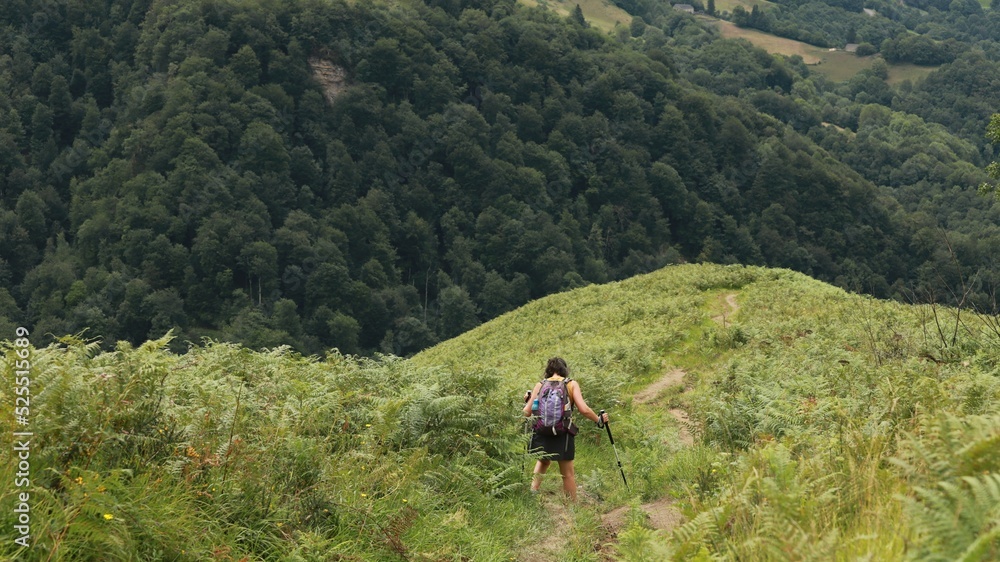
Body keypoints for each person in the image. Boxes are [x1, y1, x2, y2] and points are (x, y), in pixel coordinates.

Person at [522, 357, 609, 501]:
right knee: (567, 474)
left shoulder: (540, 385)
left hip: (541, 431)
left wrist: (530, 400)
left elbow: (527, 411)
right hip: (563, 433)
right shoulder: (571, 384)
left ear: (548, 371)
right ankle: (571, 509)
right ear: (564, 369)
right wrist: (598, 420)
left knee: (543, 461)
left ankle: (532, 494)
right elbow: (584, 409)